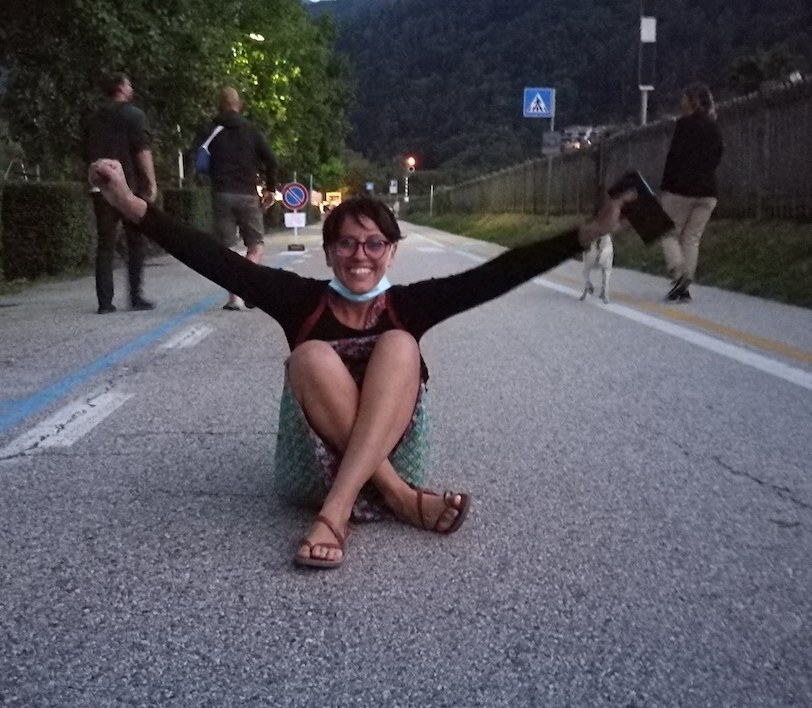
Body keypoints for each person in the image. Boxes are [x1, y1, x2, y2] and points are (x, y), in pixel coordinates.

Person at [89, 157, 633, 570]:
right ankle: (396, 496)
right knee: (310, 355)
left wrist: (589, 233)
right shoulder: (300, 300)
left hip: (391, 456)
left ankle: (336, 514)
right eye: (347, 244)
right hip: (312, 473)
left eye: (374, 244)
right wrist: (129, 203)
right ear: (329, 253)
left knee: (400, 345)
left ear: (392, 252)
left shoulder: (408, 305)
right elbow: (213, 258)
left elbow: (497, 274)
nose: (360, 256)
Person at [194, 87, 280, 310]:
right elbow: (271, 160)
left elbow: (196, 156)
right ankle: (247, 284)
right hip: (247, 194)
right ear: (239, 105)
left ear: (219, 106)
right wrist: (270, 189)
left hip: (221, 194)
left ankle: (234, 299)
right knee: (256, 245)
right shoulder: (252, 131)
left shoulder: (210, 129)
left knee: (227, 249)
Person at [82, 72, 158, 315]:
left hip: (101, 186)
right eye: (129, 83)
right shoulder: (134, 116)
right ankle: (135, 297)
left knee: (105, 243)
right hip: (128, 188)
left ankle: (104, 302)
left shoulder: (93, 118)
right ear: (122, 88)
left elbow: (84, 151)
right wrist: (151, 183)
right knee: (135, 241)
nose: (131, 87)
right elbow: (142, 151)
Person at [659, 82, 724, 303]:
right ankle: (685, 286)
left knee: (667, 232)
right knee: (692, 238)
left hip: (681, 189)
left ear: (693, 101)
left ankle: (679, 273)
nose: (681, 102)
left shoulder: (684, 125)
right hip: (708, 192)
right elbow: (717, 157)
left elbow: (674, 158)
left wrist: (665, 186)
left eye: (685, 98)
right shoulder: (714, 127)